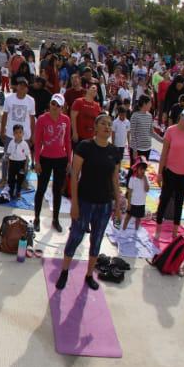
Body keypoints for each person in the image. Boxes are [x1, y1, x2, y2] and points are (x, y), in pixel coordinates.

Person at [53, 113, 124, 291]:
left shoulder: (114, 152)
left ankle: (89, 275)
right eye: (104, 124)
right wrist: (74, 204)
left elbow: (115, 180)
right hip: (85, 202)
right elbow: (75, 176)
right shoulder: (85, 146)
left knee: (97, 240)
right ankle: (64, 271)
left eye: (110, 124)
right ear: (96, 126)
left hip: (105, 204)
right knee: (75, 237)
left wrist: (117, 205)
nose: (108, 127)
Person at [155, 107, 184, 244]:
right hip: (170, 172)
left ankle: (175, 231)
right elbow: (164, 153)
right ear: (181, 117)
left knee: (179, 203)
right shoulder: (171, 131)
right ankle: (158, 229)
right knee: (165, 200)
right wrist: (160, 173)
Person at [33, 93, 72, 233]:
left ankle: (55, 219)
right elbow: (37, 142)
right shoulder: (42, 119)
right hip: (45, 158)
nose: (54, 107)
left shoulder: (66, 120)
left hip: (61, 159)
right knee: (41, 189)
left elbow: (67, 141)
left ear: (62, 107)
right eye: (52, 103)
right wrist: (36, 161)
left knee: (57, 191)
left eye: (57, 105)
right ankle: (36, 218)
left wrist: (69, 160)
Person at [0, 77, 36, 192]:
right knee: (6, 157)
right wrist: (2, 131)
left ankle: (23, 180)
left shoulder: (31, 100)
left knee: (25, 159)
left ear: (27, 89)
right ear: (16, 86)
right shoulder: (9, 99)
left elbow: (32, 119)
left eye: (24, 86)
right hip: (10, 134)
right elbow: (4, 115)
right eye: (20, 85)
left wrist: (33, 135)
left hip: (26, 136)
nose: (22, 87)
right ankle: (4, 178)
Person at [121, 159, 148, 233]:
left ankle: (136, 231)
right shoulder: (132, 179)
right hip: (133, 203)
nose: (143, 171)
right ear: (136, 169)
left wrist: (145, 179)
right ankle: (123, 230)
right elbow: (129, 192)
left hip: (141, 203)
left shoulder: (146, 178)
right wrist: (129, 203)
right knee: (128, 217)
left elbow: (147, 189)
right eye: (141, 169)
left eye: (144, 169)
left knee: (138, 218)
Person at [6, 124, 31, 197]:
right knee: (11, 178)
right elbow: (8, 154)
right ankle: (11, 191)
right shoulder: (11, 143)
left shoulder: (25, 144)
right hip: (12, 163)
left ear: (23, 133)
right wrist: (8, 164)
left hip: (21, 164)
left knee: (20, 179)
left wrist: (25, 166)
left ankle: (18, 192)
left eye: (20, 132)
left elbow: (27, 156)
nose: (18, 134)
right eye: (16, 133)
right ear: (13, 134)